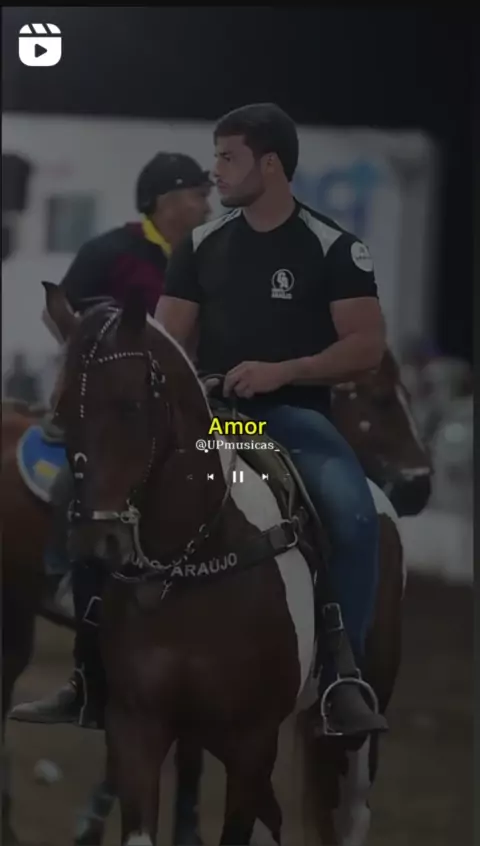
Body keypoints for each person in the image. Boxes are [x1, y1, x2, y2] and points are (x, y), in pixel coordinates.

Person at [156, 103, 388, 738]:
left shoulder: (334, 247)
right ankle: (93, 666)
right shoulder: (198, 246)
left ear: (270, 164)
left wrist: (283, 371)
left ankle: (342, 673)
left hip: (290, 421)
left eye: (228, 157)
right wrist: (190, 387)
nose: (216, 170)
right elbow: (166, 346)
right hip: (216, 424)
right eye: (216, 155)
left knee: (355, 517)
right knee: (113, 497)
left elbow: (367, 347)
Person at [10, 152, 212, 727]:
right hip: (111, 411)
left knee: (251, 450)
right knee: (88, 474)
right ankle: (67, 580)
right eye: (198, 195)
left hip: (195, 411)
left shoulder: (209, 257)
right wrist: (94, 371)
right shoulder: (111, 250)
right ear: (165, 201)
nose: (207, 205)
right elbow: (59, 314)